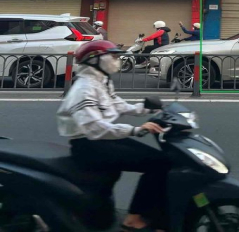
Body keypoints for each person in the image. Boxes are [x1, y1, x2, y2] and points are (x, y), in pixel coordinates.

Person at [57, 40, 169, 232]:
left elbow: (118, 105)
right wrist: (135, 130)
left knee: (163, 160)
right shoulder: (83, 89)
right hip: (89, 145)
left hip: (103, 140)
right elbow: (94, 128)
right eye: (114, 56)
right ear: (95, 60)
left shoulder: (100, 81)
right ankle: (133, 219)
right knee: (159, 164)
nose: (118, 61)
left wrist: (149, 109)